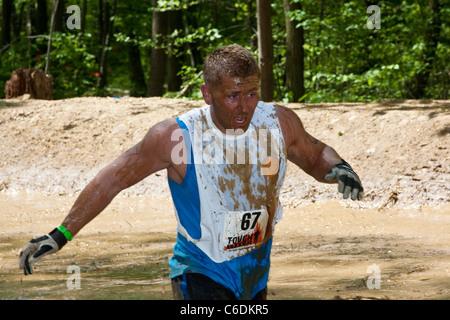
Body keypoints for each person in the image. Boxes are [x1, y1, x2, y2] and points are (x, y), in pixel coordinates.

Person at [19, 44, 363, 300]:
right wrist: (61, 233)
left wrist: (340, 168)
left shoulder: (279, 122)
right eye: (232, 95)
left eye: (252, 93)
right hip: (200, 271)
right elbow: (113, 179)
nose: (244, 106)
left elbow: (316, 155)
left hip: (255, 272)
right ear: (206, 93)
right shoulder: (175, 136)